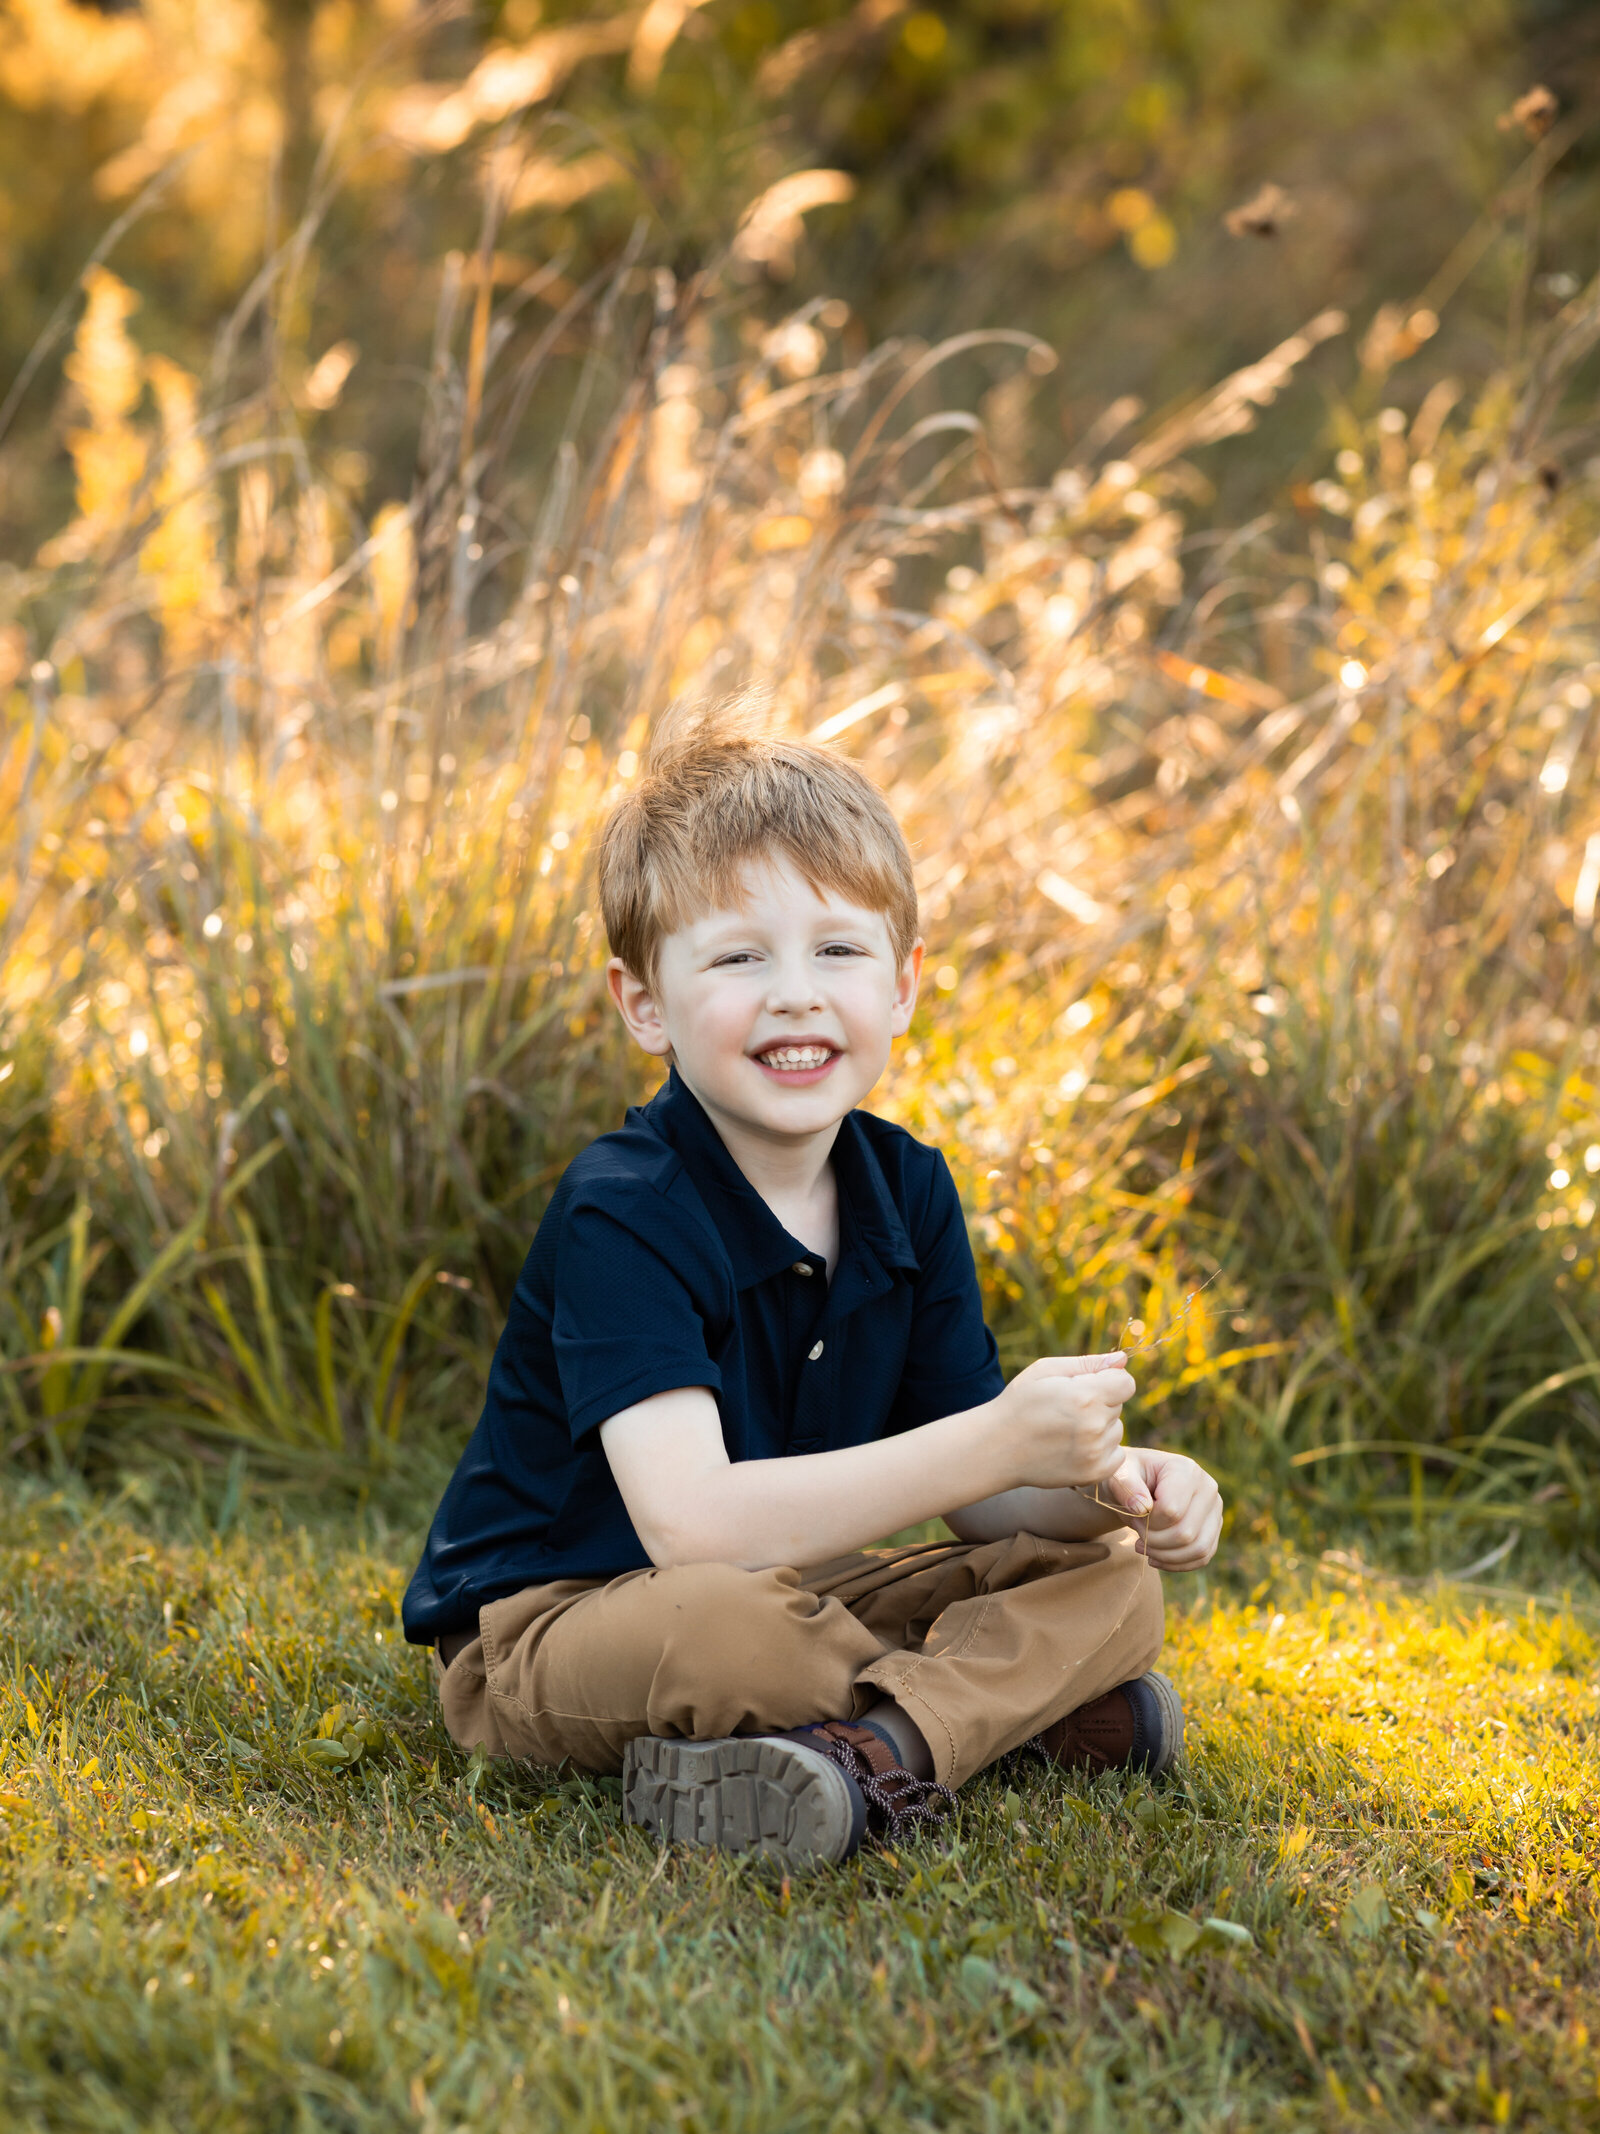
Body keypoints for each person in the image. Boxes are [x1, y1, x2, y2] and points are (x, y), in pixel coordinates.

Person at [402, 709, 1224, 1866]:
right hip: (574, 1620)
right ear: (645, 1002)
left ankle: (868, 1756)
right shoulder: (623, 1209)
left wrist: (1110, 1488)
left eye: (837, 951)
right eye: (740, 957)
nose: (795, 994)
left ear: (902, 984)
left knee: (1112, 1583)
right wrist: (994, 1441)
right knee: (740, 1635)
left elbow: (990, 1505)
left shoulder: (905, 1189)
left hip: (810, 1590)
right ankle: (991, 1721)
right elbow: (690, 1529)